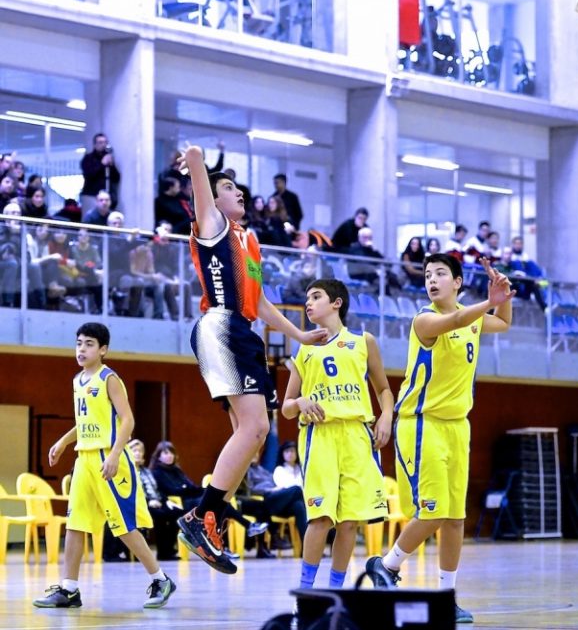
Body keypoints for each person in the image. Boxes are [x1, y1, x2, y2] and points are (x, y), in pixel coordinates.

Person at [176, 145, 327, 574]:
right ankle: (201, 517)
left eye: (238, 188)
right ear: (213, 199)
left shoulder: (249, 241)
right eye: (228, 187)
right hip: (220, 325)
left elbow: (258, 302)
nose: (238, 192)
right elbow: (200, 179)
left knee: (253, 438)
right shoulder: (212, 225)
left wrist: (299, 334)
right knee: (256, 427)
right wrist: (196, 159)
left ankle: (211, 520)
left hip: (244, 331)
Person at [366, 254, 513, 624]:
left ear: (457, 282)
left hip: (457, 426)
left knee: (455, 519)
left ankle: (447, 597)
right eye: (428, 275)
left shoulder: (472, 317)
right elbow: (458, 320)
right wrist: (489, 301)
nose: (431, 280)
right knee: (432, 512)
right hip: (422, 424)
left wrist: (504, 292)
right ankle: (387, 565)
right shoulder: (424, 319)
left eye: (440, 274)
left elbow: (503, 322)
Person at [33, 323, 176, 610]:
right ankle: (69, 589)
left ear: (103, 349)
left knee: (123, 527)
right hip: (84, 460)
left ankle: (161, 579)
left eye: (89, 344)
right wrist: (62, 442)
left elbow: (128, 420)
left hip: (110, 459)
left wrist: (114, 454)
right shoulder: (77, 380)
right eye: (79, 343)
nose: (81, 349)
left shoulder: (110, 378)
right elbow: (85, 422)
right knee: (75, 523)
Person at [283, 278, 393, 590]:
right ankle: (305, 592)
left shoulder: (363, 341)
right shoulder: (304, 349)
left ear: (336, 303)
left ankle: (336, 591)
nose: (308, 303)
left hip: (357, 435)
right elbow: (287, 408)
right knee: (320, 518)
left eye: (316, 296)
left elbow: (384, 389)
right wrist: (300, 402)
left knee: (349, 522)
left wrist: (386, 416)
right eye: (307, 298)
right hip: (320, 436)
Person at [127, 439, 183, 560]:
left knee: (178, 513)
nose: (137, 453)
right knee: (160, 516)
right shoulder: (127, 471)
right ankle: (163, 551)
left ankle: (168, 550)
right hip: (139, 505)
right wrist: (148, 502)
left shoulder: (146, 471)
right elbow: (132, 492)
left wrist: (166, 501)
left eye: (140, 451)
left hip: (156, 502)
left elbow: (157, 490)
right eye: (134, 450)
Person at [80, 134, 120, 214]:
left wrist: (112, 166)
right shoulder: (88, 158)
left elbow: (116, 178)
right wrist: (102, 164)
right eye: (100, 142)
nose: (103, 145)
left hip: (107, 196)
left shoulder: (108, 158)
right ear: (95, 144)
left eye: (105, 142)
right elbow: (89, 175)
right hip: (92, 195)